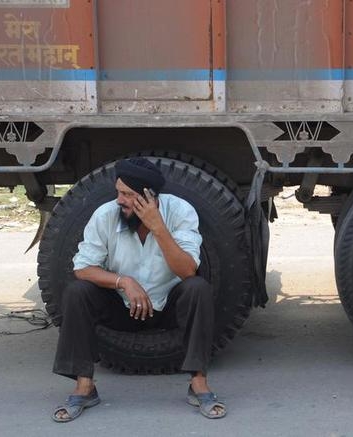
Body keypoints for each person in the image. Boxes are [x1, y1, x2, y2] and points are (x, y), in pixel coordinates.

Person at [51, 157, 226, 421]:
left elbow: (187, 270)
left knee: (197, 288)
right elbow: (83, 268)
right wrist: (124, 282)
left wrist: (158, 227)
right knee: (78, 292)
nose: (119, 200)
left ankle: (198, 383)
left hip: (167, 304)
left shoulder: (180, 212)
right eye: (118, 192)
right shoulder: (106, 215)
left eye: (127, 194)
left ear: (149, 198)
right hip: (121, 305)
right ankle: (85, 387)